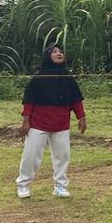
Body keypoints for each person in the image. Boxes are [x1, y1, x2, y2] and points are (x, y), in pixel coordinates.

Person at [17, 45, 86, 198]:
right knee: (31, 155)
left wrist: (81, 117)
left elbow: (76, 100)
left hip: (61, 123)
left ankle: (60, 186)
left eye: (60, 51)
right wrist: (26, 121)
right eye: (54, 51)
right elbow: (28, 101)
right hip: (38, 123)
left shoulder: (68, 78)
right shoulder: (38, 77)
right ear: (48, 56)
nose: (59, 53)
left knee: (62, 156)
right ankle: (23, 185)